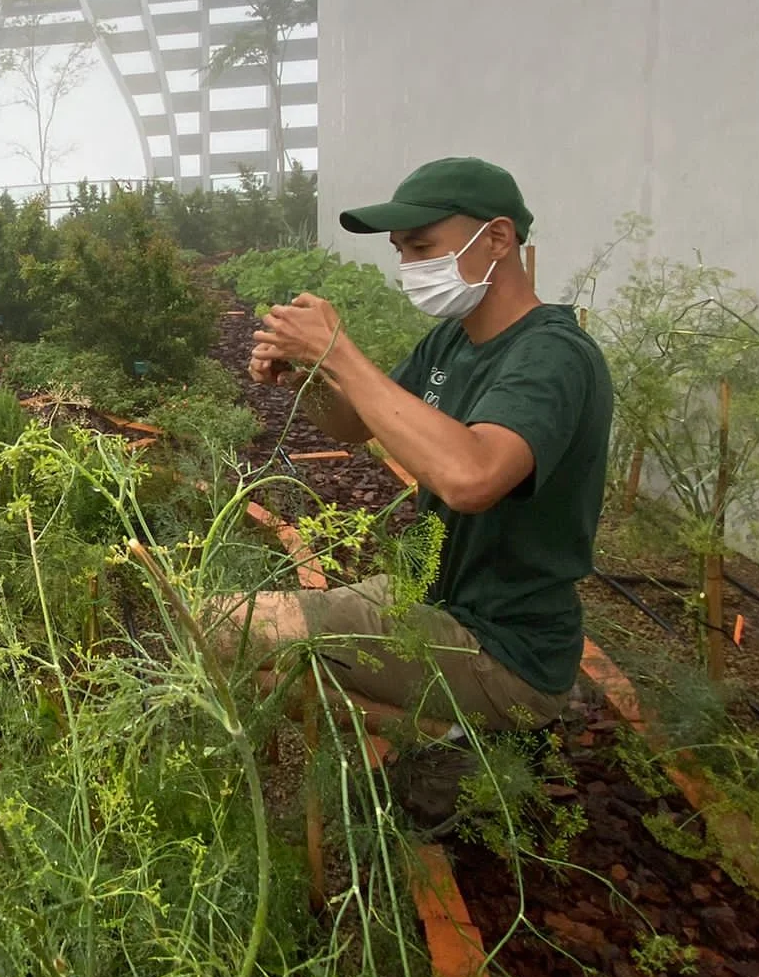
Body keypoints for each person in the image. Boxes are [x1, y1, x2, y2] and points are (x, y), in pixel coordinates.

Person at [235, 157, 613, 761]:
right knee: (244, 644)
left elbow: (472, 477)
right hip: (428, 602)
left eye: (422, 246)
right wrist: (306, 374)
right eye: (401, 251)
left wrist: (339, 351)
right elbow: (358, 422)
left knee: (228, 631)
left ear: (497, 238)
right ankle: (453, 738)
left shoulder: (553, 355)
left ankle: (474, 740)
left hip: (500, 648)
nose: (409, 267)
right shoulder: (453, 340)